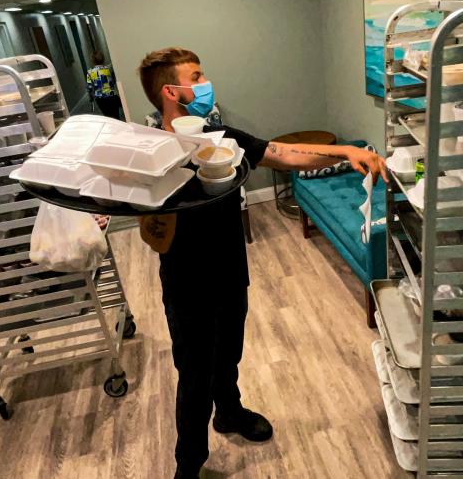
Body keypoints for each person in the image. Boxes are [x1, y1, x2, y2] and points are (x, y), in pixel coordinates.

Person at [136, 47, 388, 479]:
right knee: (194, 374)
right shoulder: (149, 152)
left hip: (231, 269)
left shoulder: (222, 140)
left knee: (229, 352)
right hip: (186, 282)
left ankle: (229, 413)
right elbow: (141, 220)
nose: (206, 81)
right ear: (171, 91)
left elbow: (281, 153)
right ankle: (188, 464)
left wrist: (345, 150)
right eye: (197, 76)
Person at [86, 50, 124, 120]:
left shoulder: (90, 72)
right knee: (116, 116)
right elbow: (113, 81)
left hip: (100, 100)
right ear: (103, 58)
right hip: (111, 96)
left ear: (93, 61)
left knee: (108, 118)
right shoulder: (108, 69)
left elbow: (90, 88)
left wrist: (91, 98)